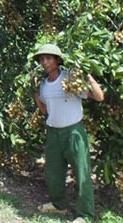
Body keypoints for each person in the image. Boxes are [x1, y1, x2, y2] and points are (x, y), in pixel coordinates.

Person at [32, 43, 104, 223]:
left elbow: (99, 96)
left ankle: (85, 215)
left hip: (73, 132)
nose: (45, 62)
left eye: (48, 58)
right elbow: (45, 111)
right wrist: (35, 96)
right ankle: (58, 205)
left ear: (57, 60)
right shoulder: (43, 84)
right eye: (42, 59)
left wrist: (86, 74)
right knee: (53, 171)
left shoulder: (70, 79)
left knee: (82, 172)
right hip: (53, 132)